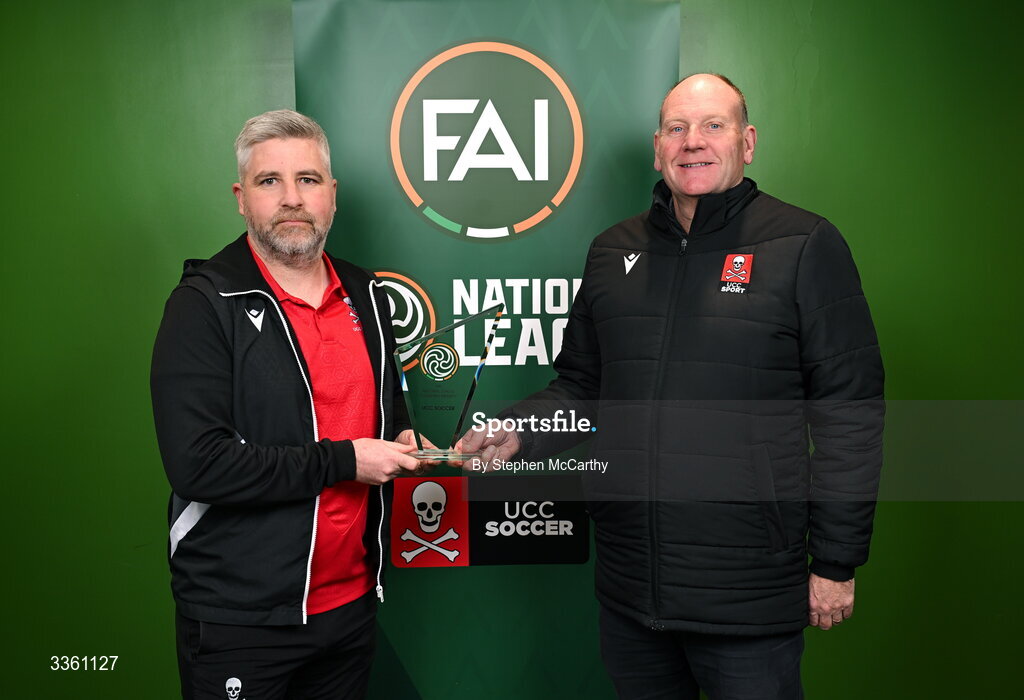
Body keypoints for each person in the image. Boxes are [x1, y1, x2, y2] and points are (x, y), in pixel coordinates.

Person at [459, 74, 884, 699]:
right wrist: (518, 428)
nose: (694, 142)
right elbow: (582, 384)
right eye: (678, 128)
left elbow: (850, 415)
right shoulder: (612, 251)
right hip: (632, 590)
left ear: (748, 141)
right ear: (658, 146)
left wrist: (836, 563)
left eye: (714, 125)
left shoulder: (804, 244)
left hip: (749, 595)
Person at [151, 110, 425, 700]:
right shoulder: (203, 304)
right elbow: (198, 465)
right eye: (269, 181)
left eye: (308, 179)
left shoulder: (367, 291)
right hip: (241, 619)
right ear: (241, 199)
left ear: (333, 195)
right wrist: (346, 461)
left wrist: (401, 445)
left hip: (351, 605)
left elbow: (384, 418)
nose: (292, 198)